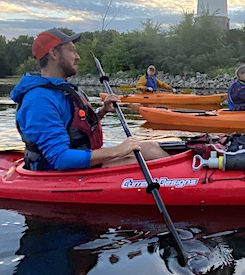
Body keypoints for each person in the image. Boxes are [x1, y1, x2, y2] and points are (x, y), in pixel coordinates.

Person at [10, 28, 168, 170]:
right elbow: (60, 159)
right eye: (71, 50)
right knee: (134, 162)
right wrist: (116, 151)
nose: (77, 57)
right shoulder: (39, 100)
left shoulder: (61, 90)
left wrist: (102, 112)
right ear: (54, 54)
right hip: (57, 174)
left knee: (150, 148)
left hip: (80, 162)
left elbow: (75, 129)